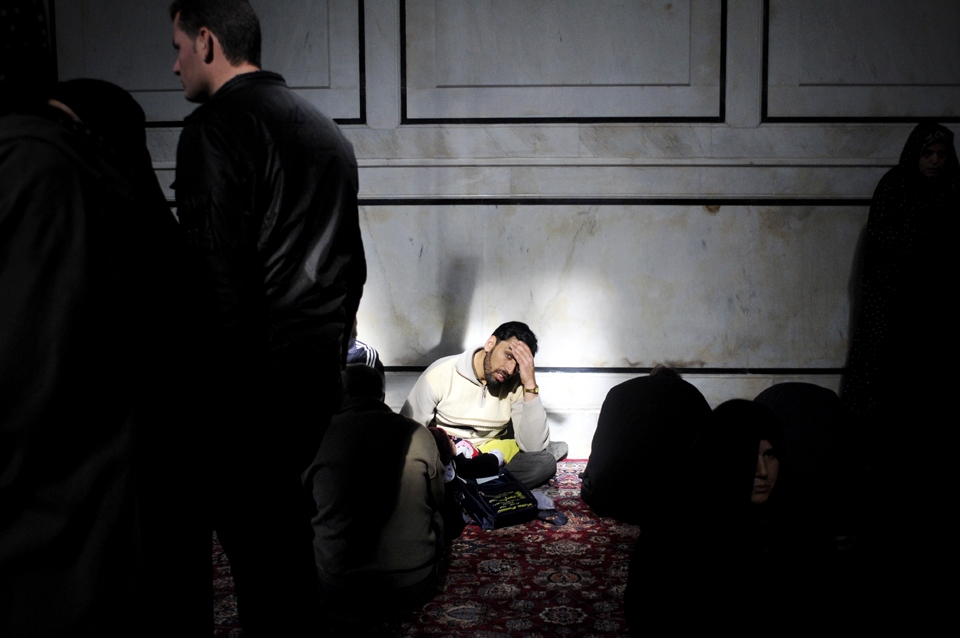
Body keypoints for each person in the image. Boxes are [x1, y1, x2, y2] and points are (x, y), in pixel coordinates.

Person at [168, 1, 366, 633]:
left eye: (176, 47)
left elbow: (215, 280)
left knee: (259, 554)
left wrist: (205, 396)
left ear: (206, 41)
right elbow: (352, 268)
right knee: (280, 538)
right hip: (313, 375)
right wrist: (332, 355)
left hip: (247, 380)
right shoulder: (326, 130)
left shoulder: (214, 129)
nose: (173, 66)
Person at [840, 122, 958, 627]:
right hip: (894, 322)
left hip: (937, 327)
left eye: (941, 152)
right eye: (928, 151)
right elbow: (886, 260)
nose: (934, 160)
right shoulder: (893, 189)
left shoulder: (954, 191)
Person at [303, 365, 444, 624]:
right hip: (412, 584)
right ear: (382, 395)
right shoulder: (419, 433)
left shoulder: (315, 436)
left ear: (339, 394)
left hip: (340, 589)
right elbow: (437, 499)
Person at [401, 321, 566, 489]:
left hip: (490, 459)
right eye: (508, 355)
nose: (509, 369)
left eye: (518, 365)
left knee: (544, 463)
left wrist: (530, 384)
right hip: (448, 459)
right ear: (490, 343)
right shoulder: (440, 373)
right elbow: (406, 433)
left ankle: (463, 489)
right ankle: (480, 489)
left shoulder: (516, 384)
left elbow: (533, 447)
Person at [580, 366, 711, 525]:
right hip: (667, 503)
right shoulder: (689, 396)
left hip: (609, 496)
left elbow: (600, 451)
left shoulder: (620, 392)